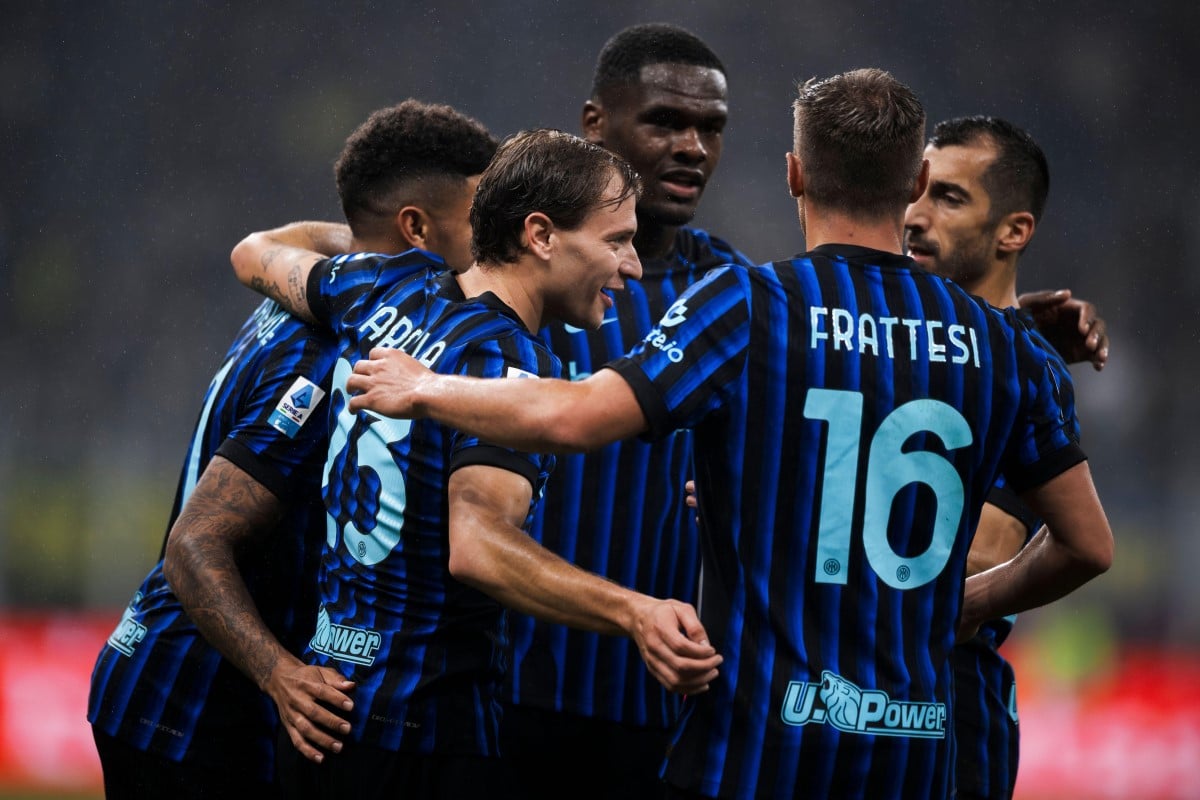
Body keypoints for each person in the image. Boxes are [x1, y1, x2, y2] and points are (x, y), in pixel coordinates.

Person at [344, 69, 1114, 799]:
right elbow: (1086, 546)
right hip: (910, 753)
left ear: (795, 174)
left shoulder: (749, 305)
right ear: (913, 184)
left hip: (754, 748)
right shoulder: (1009, 347)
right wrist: (969, 601)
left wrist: (426, 387)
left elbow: (573, 417)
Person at [230, 128, 722, 800]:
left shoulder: (380, 286)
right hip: (424, 735)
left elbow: (253, 254)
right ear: (540, 235)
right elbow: (479, 548)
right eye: (617, 241)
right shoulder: (507, 360)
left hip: (327, 711)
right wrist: (634, 612)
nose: (633, 267)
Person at [86, 99, 498, 798]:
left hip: (162, 678)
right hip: (190, 707)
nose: (490, 240)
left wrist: (369, 248)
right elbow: (195, 542)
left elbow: (268, 243)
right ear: (417, 227)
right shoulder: (333, 348)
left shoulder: (307, 293)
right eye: (477, 218)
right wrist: (280, 673)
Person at [498, 24, 754, 800]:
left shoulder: (737, 296)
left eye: (710, 127)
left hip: (663, 704)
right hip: (510, 692)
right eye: (665, 122)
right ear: (596, 124)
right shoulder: (519, 272)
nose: (692, 147)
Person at [905, 114, 1095, 800]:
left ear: (1013, 231)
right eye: (915, 191)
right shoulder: (901, 345)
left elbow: (975, 556)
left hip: (951, 709)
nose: (915, 215)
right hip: (862, 695)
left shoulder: (1023, 371)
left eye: (948, 198)